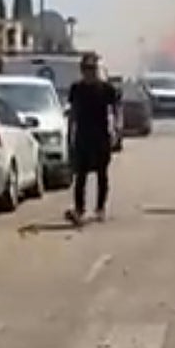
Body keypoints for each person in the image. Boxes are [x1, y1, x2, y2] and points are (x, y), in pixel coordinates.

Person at [65, 52, 120, 225]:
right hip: (83, 136)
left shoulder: (106, 89)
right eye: (87, 68)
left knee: (102, 174)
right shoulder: (77, 89)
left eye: (93, 68)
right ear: (82, 70)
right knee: (80, 176)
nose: (90, 72)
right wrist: (70, 134)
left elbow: (116, 110)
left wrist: (116, 129)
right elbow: (73, 113)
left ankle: (100, 208)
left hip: (101, 136)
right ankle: (79, 209)